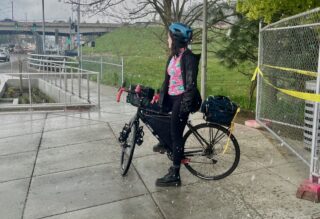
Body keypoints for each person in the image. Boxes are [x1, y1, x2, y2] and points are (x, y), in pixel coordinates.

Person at [154, 22, 201, 187]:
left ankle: (175, 174)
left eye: (169, 37)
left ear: (175, 39)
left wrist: (184, 107)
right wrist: (160, 96)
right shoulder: (173, 57)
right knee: (165, 125)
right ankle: (166, 145)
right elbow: (168, 80)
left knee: (176, 136)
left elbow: (190, 86)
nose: (167, 39)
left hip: (182, 99)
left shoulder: (188, 58)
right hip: (172, 98)